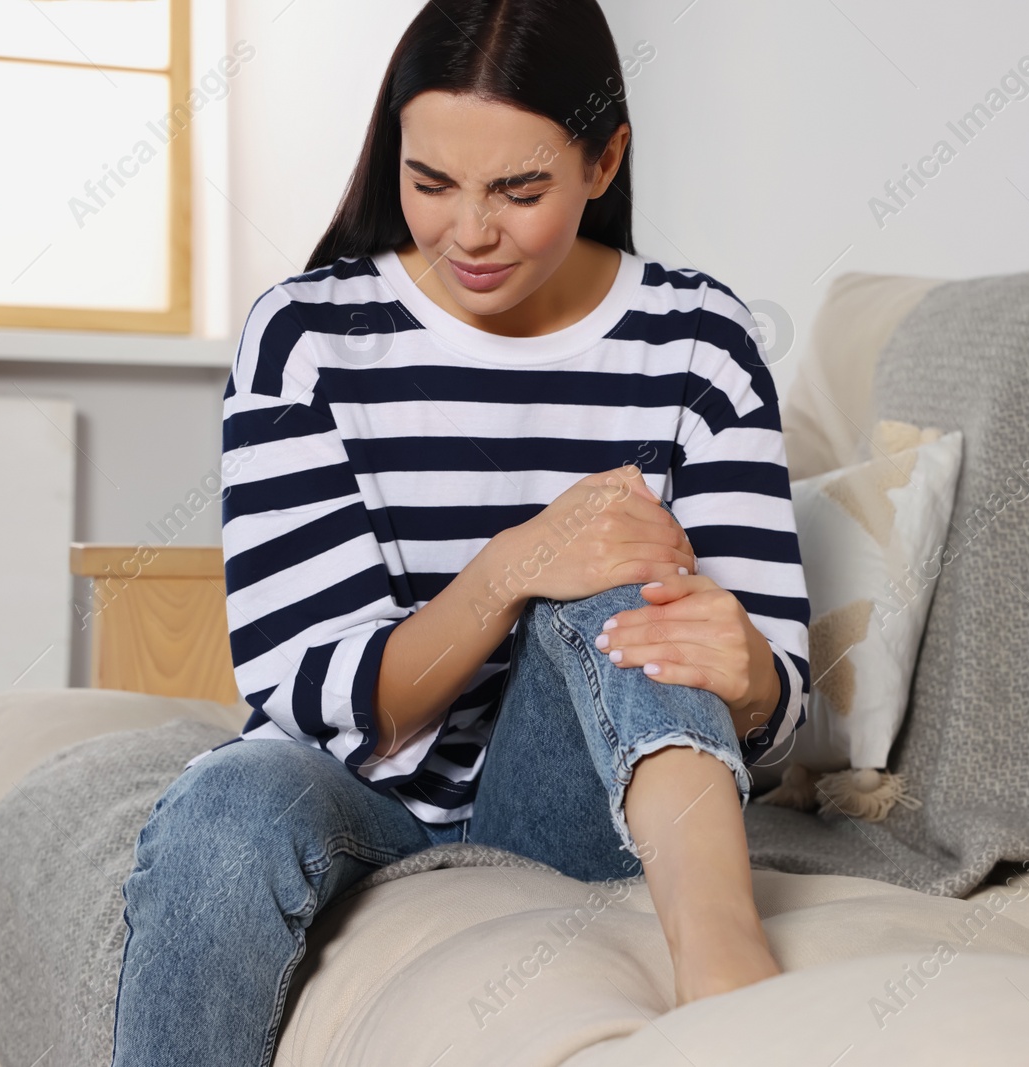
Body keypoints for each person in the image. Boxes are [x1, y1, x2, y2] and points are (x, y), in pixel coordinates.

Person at [110, 1, 810, 1062]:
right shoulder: (305, 337)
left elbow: (770, 703)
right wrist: (514, 566)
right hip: (362, 789)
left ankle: (730, 979)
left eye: (518, 191)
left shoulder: (700, 341)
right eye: (429, 182)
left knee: (624, 568)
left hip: (576, 797)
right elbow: (316, 696)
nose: (467, 231)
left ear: (603, 159)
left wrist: (750, 670)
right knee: (223, 811)